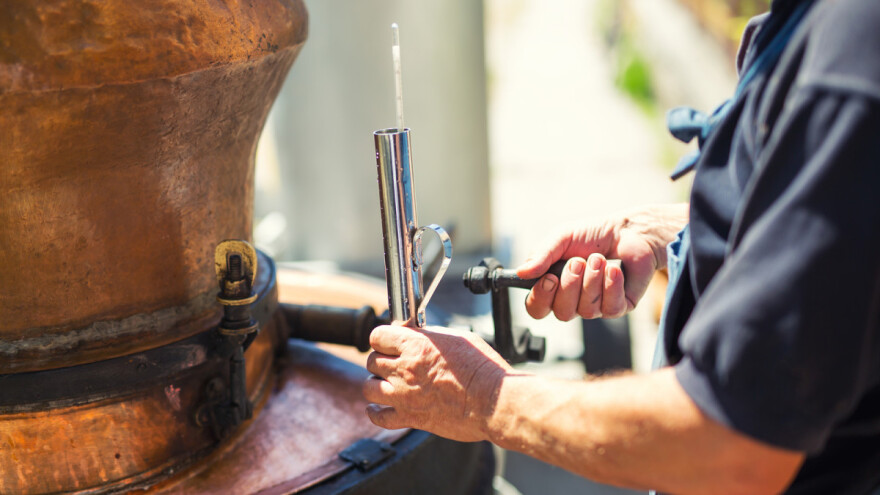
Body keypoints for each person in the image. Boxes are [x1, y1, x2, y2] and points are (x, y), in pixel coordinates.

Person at [362, 0, 880, 493]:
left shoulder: (847, 58)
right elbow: (841, 236)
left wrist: (483, 397)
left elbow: (732, 444)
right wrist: (669, 232)